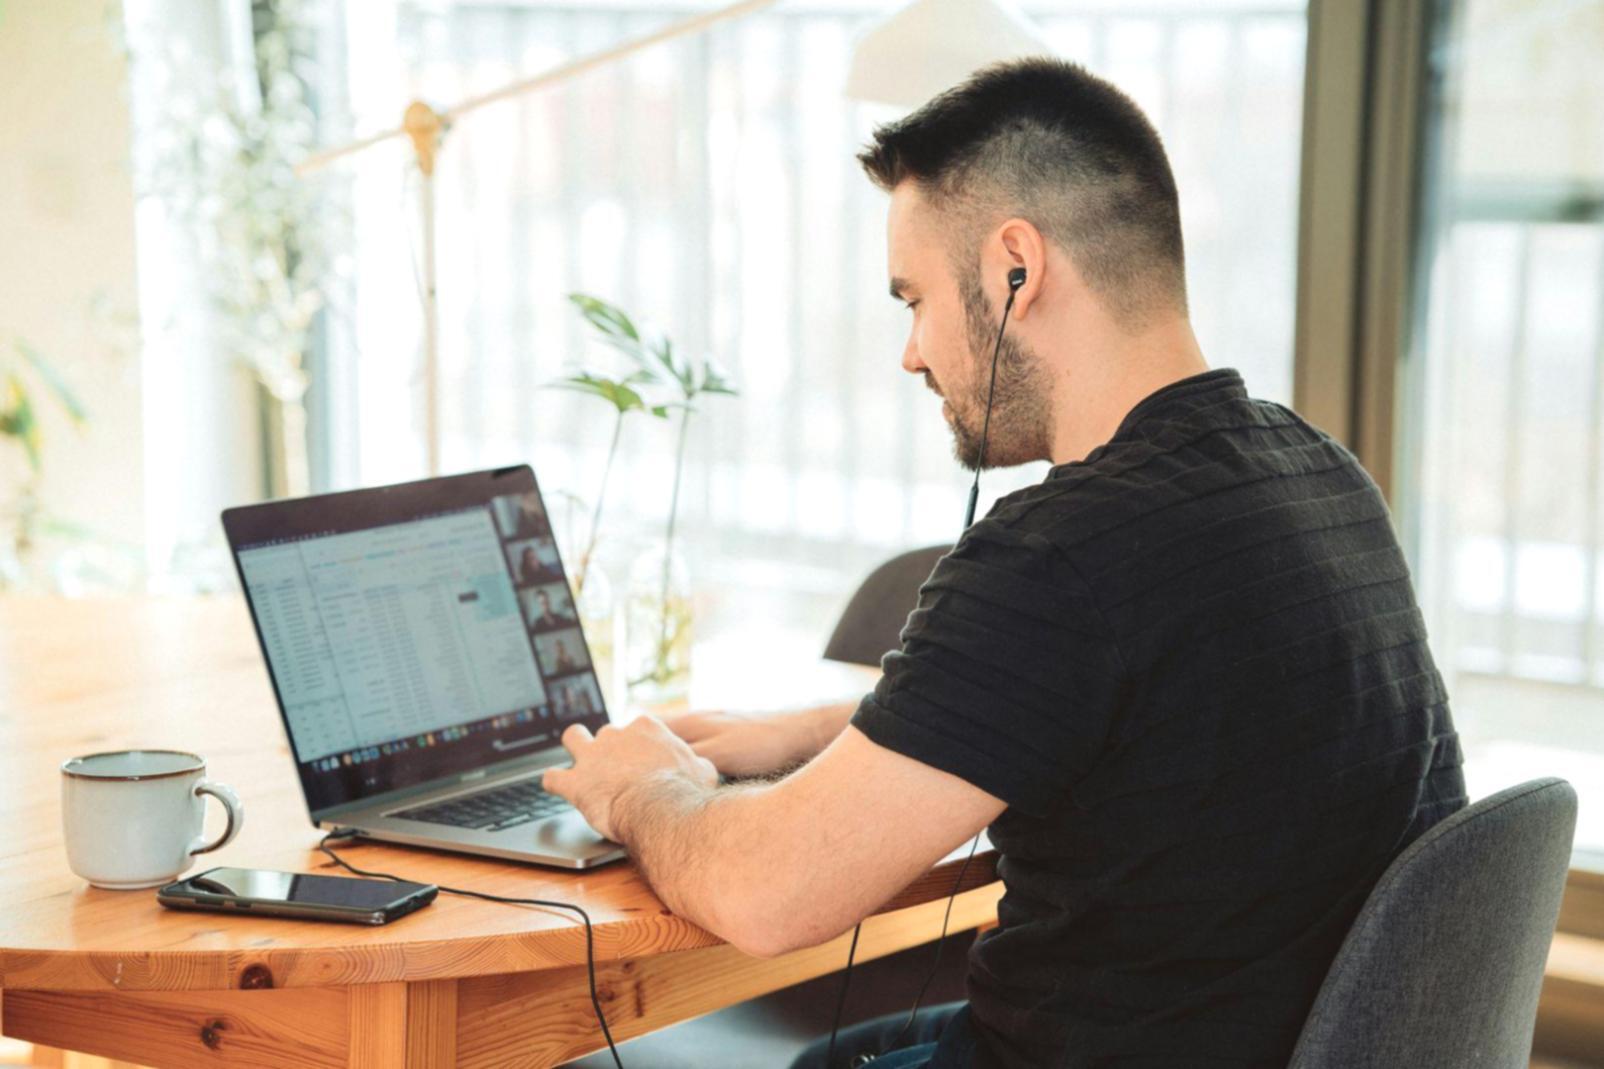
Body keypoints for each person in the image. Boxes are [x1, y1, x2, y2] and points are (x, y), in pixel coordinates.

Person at [544, 57, 1465, 1069]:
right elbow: (1125, 713)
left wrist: (642, 789)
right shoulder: (1318, 474)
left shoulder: (1062, 550)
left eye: (913, 299)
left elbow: (768, 896)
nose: (911, 352)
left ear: (1013, 267)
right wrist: (810, 733)